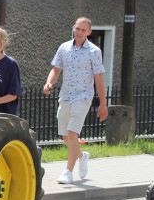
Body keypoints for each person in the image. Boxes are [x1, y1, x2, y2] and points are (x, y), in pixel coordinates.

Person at [43, 17, 109, 184]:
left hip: (83, 96)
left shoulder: (94, 52)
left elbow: (99, 79)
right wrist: (49, 82)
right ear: (73, 28)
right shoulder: (64, 48)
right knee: (65, 136)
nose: (79, 32)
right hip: (65, 95)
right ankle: (81, 156)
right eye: (77, 28)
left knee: (73, 134)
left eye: (83, 30)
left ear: (89, 32)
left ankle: (68, 171)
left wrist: (103, 104)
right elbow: (56, 70)